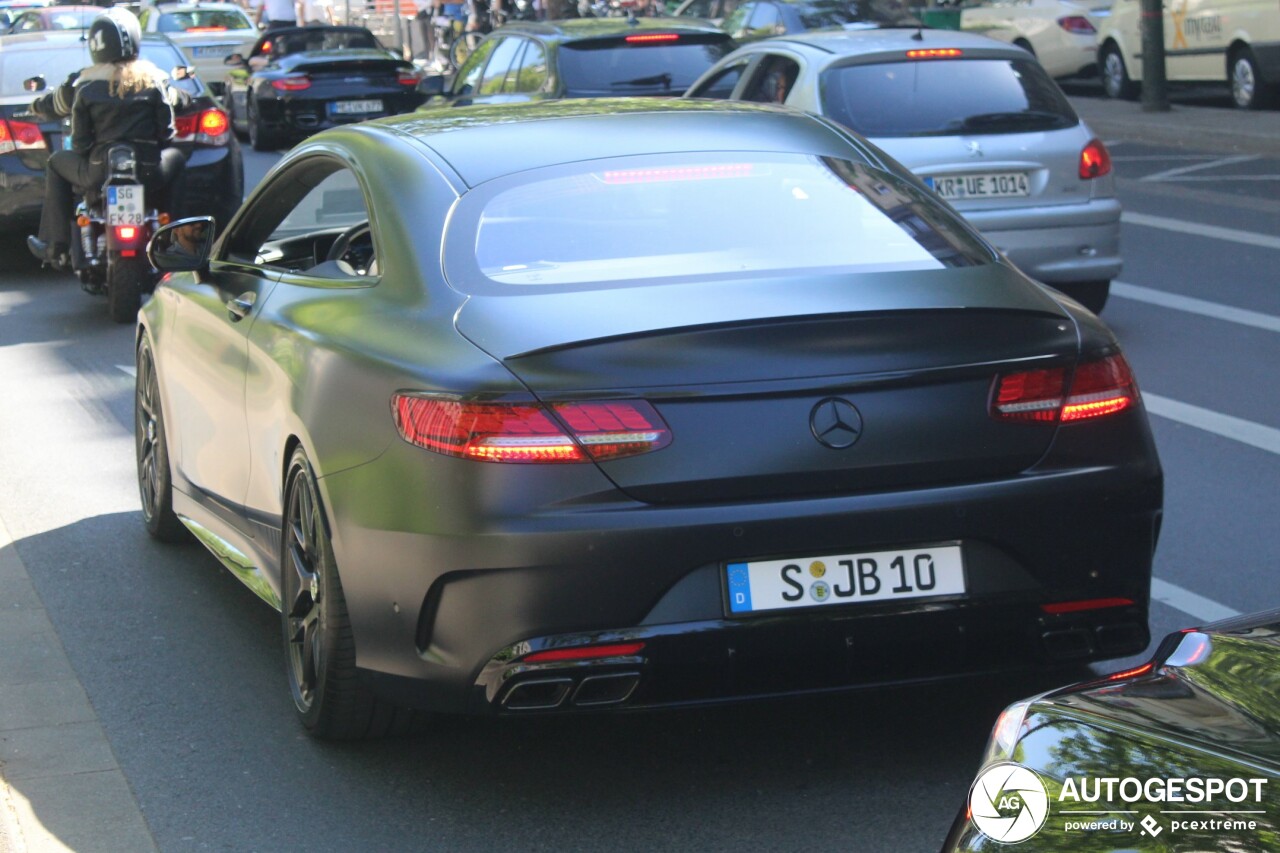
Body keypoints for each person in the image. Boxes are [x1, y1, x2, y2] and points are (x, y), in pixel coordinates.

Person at [27, 8, 186, 266]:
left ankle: (55, 244)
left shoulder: (86, 85)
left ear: (96, 44)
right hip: (148, 170)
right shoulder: (154, 80)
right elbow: (167, 133)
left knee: (56, 162)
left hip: (98, 171)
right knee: (177, 158)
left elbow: (79, 143)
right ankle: (178, 239)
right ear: (135, 39)